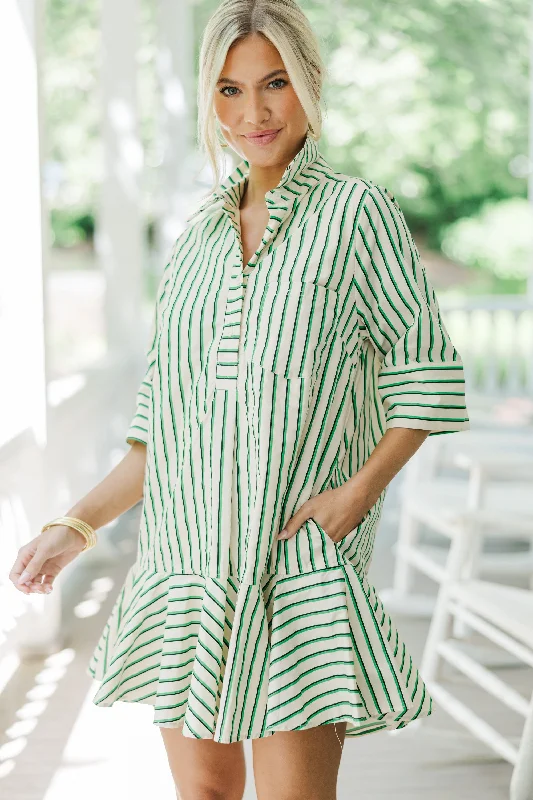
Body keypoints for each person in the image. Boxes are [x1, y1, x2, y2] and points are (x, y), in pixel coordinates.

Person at [10, 0, 470, 797]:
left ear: (310, 86)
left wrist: (357, 495)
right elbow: (162, 430)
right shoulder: (195, 241)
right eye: (228, 89)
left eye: (274, 84)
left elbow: (424, 369)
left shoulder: (359, 215)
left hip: (294, 566)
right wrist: (73, 526)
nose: (251, 112)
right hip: (186, 572)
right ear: (207, 99)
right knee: (207, 795)